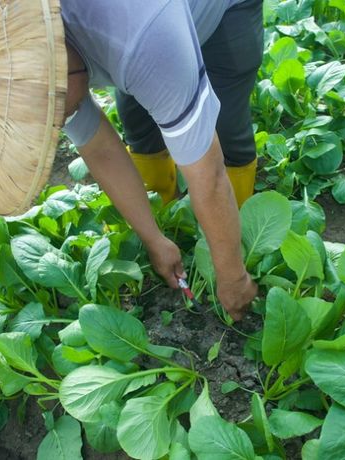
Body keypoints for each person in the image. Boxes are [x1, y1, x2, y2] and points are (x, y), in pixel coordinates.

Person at [60, 0, 262, 320]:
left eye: (58, 107)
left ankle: (238, 242)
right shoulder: (41, 76)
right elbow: (100, 149)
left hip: (220, 10)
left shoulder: (141, 40)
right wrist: (153, 238)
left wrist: (233, 277)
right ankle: (172, 214)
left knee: (225, 127)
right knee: (138, 122)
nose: (58, 117)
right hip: (137, 36)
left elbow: (209, 173)